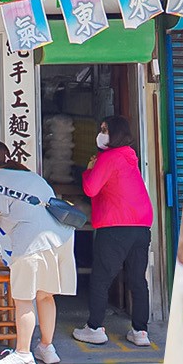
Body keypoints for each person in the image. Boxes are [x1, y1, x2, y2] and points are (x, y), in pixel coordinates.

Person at [0, 142, 76, 364]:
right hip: (61, 238)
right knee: (45, 295)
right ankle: (47, 348)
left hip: (31, 243)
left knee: (23, 298)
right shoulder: (32, 177)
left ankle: (22, 355)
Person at [73, 115, 154, 348]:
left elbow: (91, 189)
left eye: (105, 129)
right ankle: (140, 332)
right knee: (138, 279)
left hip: (116, 225)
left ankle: (95, 328)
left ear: (115, 134)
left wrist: (88, 170)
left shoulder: (108, 158)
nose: (101, 132)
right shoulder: (130, 158)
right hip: (141, 225)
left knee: (101, 278)